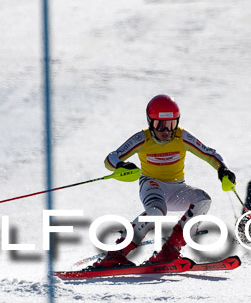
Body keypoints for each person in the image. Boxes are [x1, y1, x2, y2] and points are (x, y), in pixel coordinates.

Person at [93, 94, 236, 268]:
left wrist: (224, 169)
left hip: (177, 189)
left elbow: (209, 153)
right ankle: (116, 254)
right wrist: (121, 165)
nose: (165, 130)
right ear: (149, 122)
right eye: (159, 124)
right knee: (156, 213)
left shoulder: (182, 136)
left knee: (203, 199)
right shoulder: (142, 138)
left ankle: (171, 250)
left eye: (171, 124)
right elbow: (111, 158)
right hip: (152, 186)